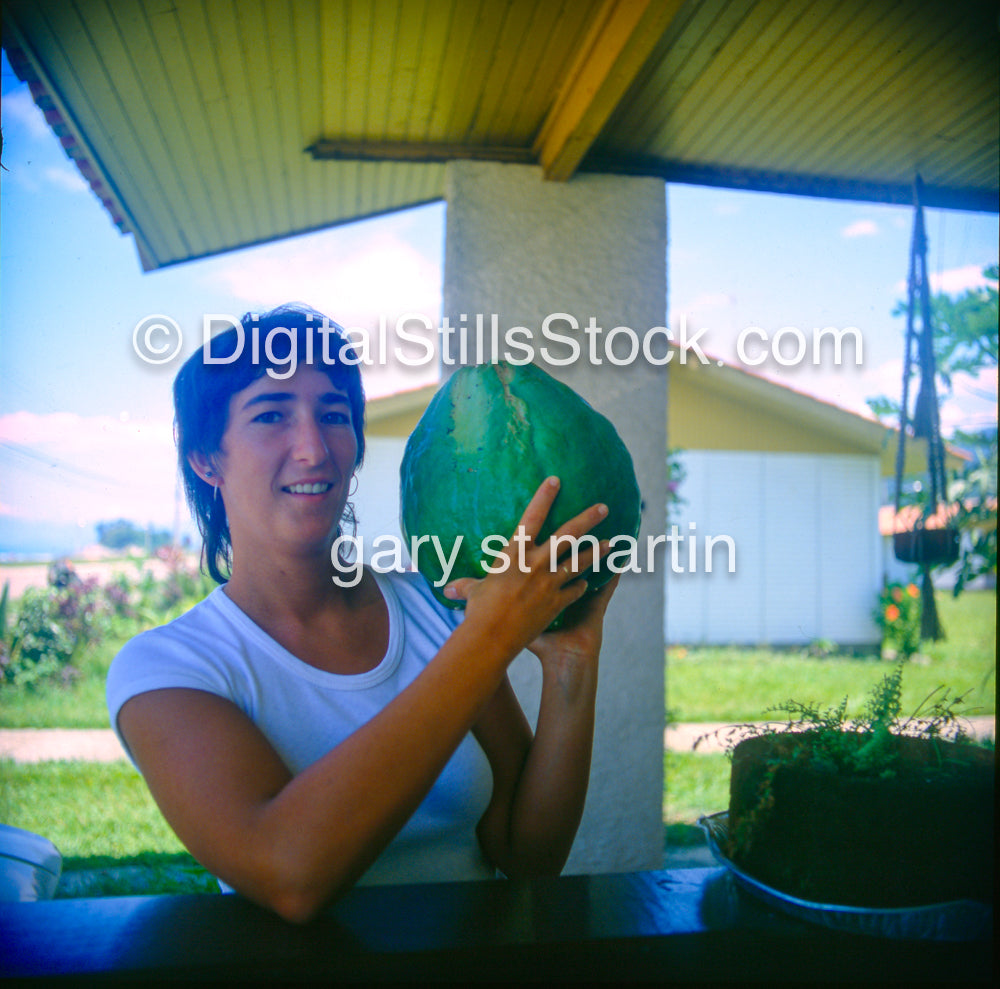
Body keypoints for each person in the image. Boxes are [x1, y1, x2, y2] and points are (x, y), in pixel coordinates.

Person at [107, 305, 618, 923]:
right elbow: (290, 875)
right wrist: (489, 637)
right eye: (271, 415)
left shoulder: (433, 606)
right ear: (206, 460)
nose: (313, 447)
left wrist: (573, 664)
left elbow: (528, 855)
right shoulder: (168, 669)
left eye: (333, 415)